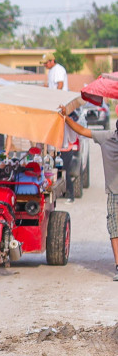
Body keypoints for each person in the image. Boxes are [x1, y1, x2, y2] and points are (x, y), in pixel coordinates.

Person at [61, 109, 118, 281]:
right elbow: (83, 131)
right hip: (114, 192)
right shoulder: (107, 137)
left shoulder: (107, 137)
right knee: (114, 229)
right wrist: (66, 118)